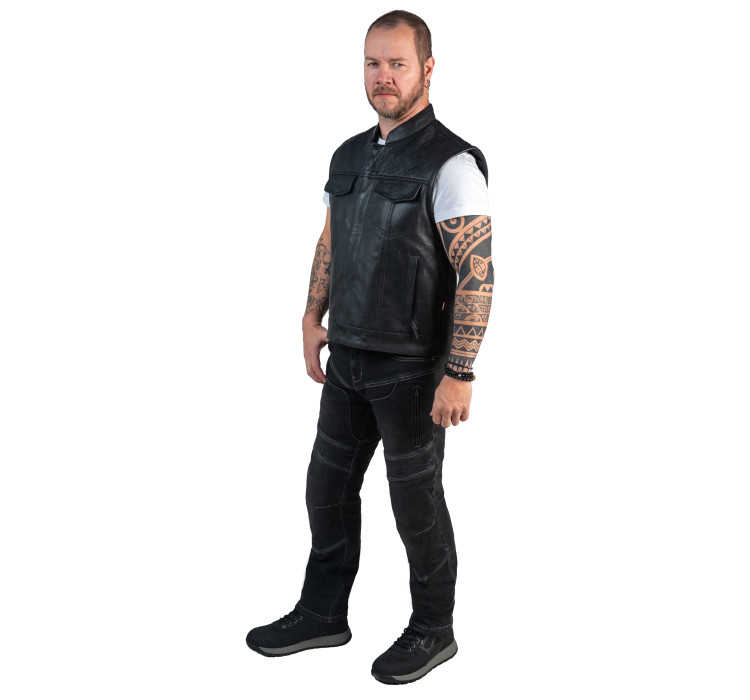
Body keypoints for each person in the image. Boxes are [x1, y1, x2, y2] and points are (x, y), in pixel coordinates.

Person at [246, 10, 494, 685]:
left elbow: (476, 271)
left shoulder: (451, 162)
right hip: (348, 357)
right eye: (373, 63)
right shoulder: (348, 156)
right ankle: (323, 612)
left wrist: (460, 370)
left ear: (428, 70)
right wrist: (310, 315)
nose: (383, 77)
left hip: (412, 370)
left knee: (416, 506)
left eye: (397, 64)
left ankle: (433, 629)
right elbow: (331, 238)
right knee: (325, 489)